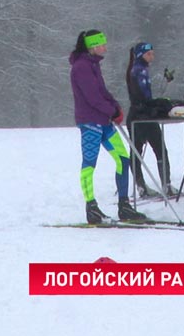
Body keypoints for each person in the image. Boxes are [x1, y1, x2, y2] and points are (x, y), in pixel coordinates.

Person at [69, 30, 146, 223]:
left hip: (104, 122)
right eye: (102, 44)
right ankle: (91, 206)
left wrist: (115, 106)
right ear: (92, 46)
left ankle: (124, 204)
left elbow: (102, 91)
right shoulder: (81, 67)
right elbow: (91, 96)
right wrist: (109, 110)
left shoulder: (93, 65)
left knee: (123, 158)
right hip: (90, 123)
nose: (105, 47)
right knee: (89, 163)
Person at [125, 42, 176, 198]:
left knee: (136, 152)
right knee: (159, 150)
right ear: (141, 55)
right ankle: (166, 186)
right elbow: (143, 97)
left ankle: (141, 186)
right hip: (143, 116)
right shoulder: (139, 71)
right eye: (149, 54)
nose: (152, 57)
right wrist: (157, 105)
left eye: (153, 53)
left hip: (136, 115)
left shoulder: (138, 69)